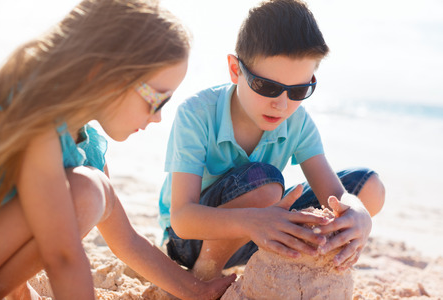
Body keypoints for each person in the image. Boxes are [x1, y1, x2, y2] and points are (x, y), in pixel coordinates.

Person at [0, 0, 236, 299]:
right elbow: (63, 258)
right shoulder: (37, 118)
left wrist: (195, 289)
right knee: (88, 190)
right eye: (157, 99)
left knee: (92, 189)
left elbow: (127, 241)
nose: (159, 116)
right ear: (105, 74)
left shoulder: (86, 148)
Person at [158, 0, 386, 281]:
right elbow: (182, 219)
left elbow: (335, 195)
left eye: (299, 90)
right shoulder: (196, 114)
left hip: (263, 231)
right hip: (191, 241)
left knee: (369, 187)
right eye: (267, 87)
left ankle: (302, 267)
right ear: (235, 69)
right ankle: (205, 275)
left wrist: (360, 215)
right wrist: (253, 218)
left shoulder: (298, 122)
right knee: (265, 184)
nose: (281, 104)